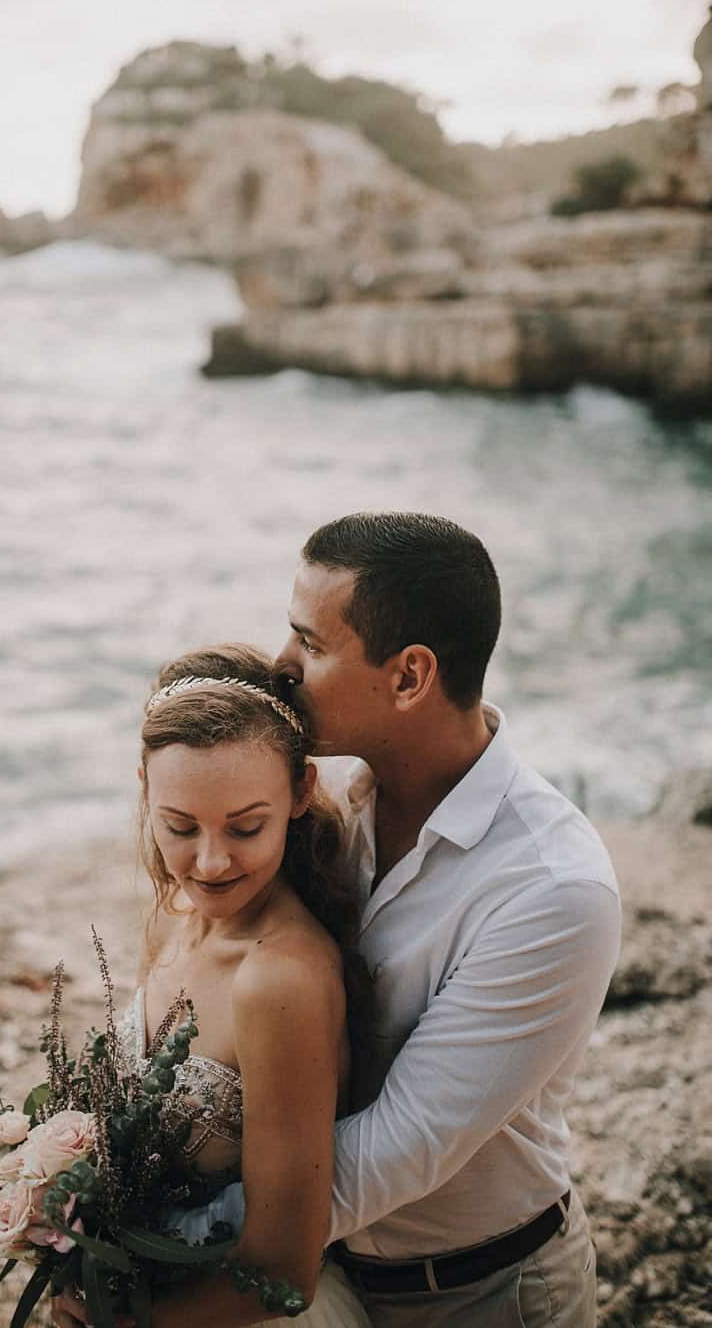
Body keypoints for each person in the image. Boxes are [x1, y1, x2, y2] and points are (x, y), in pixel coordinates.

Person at [270, 510, 621, 1327]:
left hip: (486, 1295)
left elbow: (400, 1148)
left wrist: (161, 1239)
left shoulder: (552, 887)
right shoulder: (322, 811)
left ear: (408, 677)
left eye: (310, 645)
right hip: (326, 1275)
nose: (278, 665)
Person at [53, 645, 374, 1328]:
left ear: (302, 791)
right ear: (145, 787)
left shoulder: (279, 980)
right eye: (179, 826)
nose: (210, 861)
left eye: (246, 826)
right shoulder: (176, 918)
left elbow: (282, 1271)